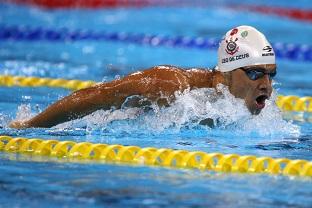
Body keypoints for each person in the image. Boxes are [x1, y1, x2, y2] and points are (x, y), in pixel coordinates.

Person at [9, 25, 277, 128]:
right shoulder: (170, 86)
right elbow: (95, 96)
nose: (266, 85)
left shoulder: (245, 109)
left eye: (270, 75)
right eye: (255, 73)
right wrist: (29, 127)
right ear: (225, 73)